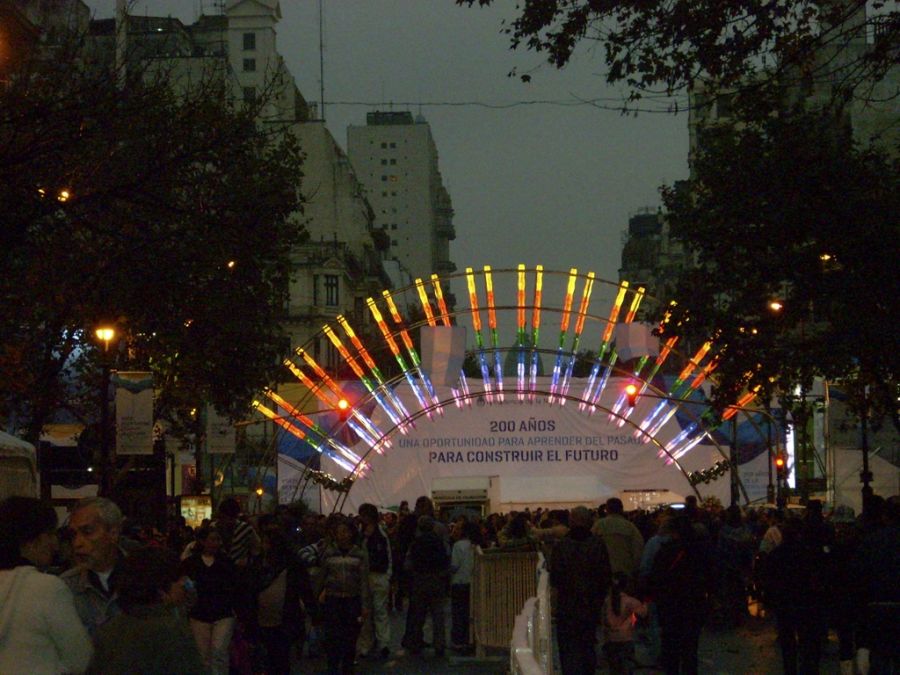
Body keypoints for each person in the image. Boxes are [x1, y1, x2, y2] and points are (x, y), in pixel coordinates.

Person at [0, 496, 93, 675]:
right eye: (50, 534)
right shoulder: (46, 588)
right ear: (33, 541)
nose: (55, 543)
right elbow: (81, 659)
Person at [86, 547, 204, 674]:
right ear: (162, 589)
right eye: (178, 579)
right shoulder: (172, 632)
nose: (183, 584)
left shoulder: (109, 630)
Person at [648, 514, 714, 675]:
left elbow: (655, 579)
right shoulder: (699, 552)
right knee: (690, 651)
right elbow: (710, 577)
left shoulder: (665, 551)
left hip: (670, 607)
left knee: (671, 651)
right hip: (693, 606)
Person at [549, 505, 612, 675]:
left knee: (568, 649)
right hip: (590, 605)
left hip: (567, 606)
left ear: (571, 521)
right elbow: (605, 576)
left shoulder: (561, 546)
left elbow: (555, 577)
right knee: (588, 646)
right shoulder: (598, 545)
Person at [61, 497, 128, 636]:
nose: (77, 543)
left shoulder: (144, 576)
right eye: (73, 535)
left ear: (113, 533)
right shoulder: (66, 587)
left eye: (87, 532)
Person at [252, 526, 311, 675]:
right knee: (268, 656)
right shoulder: (259, 563)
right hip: (262, 618)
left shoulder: (291, 564)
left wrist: (313, 613)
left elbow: (304, 589)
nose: (264, 546)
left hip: (284, 618)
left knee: (280, 657)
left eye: (267, 542)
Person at [181, 525, 240, 675]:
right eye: (212, 539)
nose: (215, 543)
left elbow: (235, 586)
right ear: (202, 541)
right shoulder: (191, 563)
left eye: (218, 540)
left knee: (219, 651)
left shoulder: (226, 562)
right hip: (199, 613)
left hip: (223, 613)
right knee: (203, 654)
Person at [317, 515, 370, 674]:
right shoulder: (329, 552)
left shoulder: (359, 553)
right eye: (339, 532)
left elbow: (363, 581)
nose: (342, 535)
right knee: (333, 635)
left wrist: (365, 605)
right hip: (333, 599)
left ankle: (347, 665)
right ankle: (333, 664)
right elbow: (322, 576)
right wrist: (317, 595)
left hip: (352, 599)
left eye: (346, 531)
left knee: (350, 635)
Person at [403, 515, 451, 657]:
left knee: (419, 614)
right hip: (436, 579)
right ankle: (439, 644)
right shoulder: (439, 542)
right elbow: (445, 560)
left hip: (419, 579)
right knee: (438, 614)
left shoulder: (416, 543)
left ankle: (415, 643)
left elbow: (408, 563)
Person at [356, 503, 392, 659]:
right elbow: (389, 556)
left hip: (371, 576)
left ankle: (367, 644)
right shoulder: (381, 534)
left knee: (369, 611)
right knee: (379, 611)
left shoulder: (362, 535)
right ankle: (382, 642)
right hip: (378, 576)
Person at [602, 572, 648, 675]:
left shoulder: (607, 601)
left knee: (614, 670)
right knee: (626, 669)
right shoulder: (631, 602)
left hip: (610, 639)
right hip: (625, 639)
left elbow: (603, 620)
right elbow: (642, 614)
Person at [592, 498, 644, 583]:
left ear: (607, 509)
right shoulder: (630, 526)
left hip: (603, 572)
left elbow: (591, 547)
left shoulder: (598, 525)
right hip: (625, 572)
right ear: (621, 509)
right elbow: (638, 550)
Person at [450, 520, 480, 651]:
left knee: (458, 613)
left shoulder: (458, 546)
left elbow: (454, 565)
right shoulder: (476, 546)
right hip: (473, 583)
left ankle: (459, 641)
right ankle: (471, 639)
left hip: (459, 582)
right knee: (470, 612)